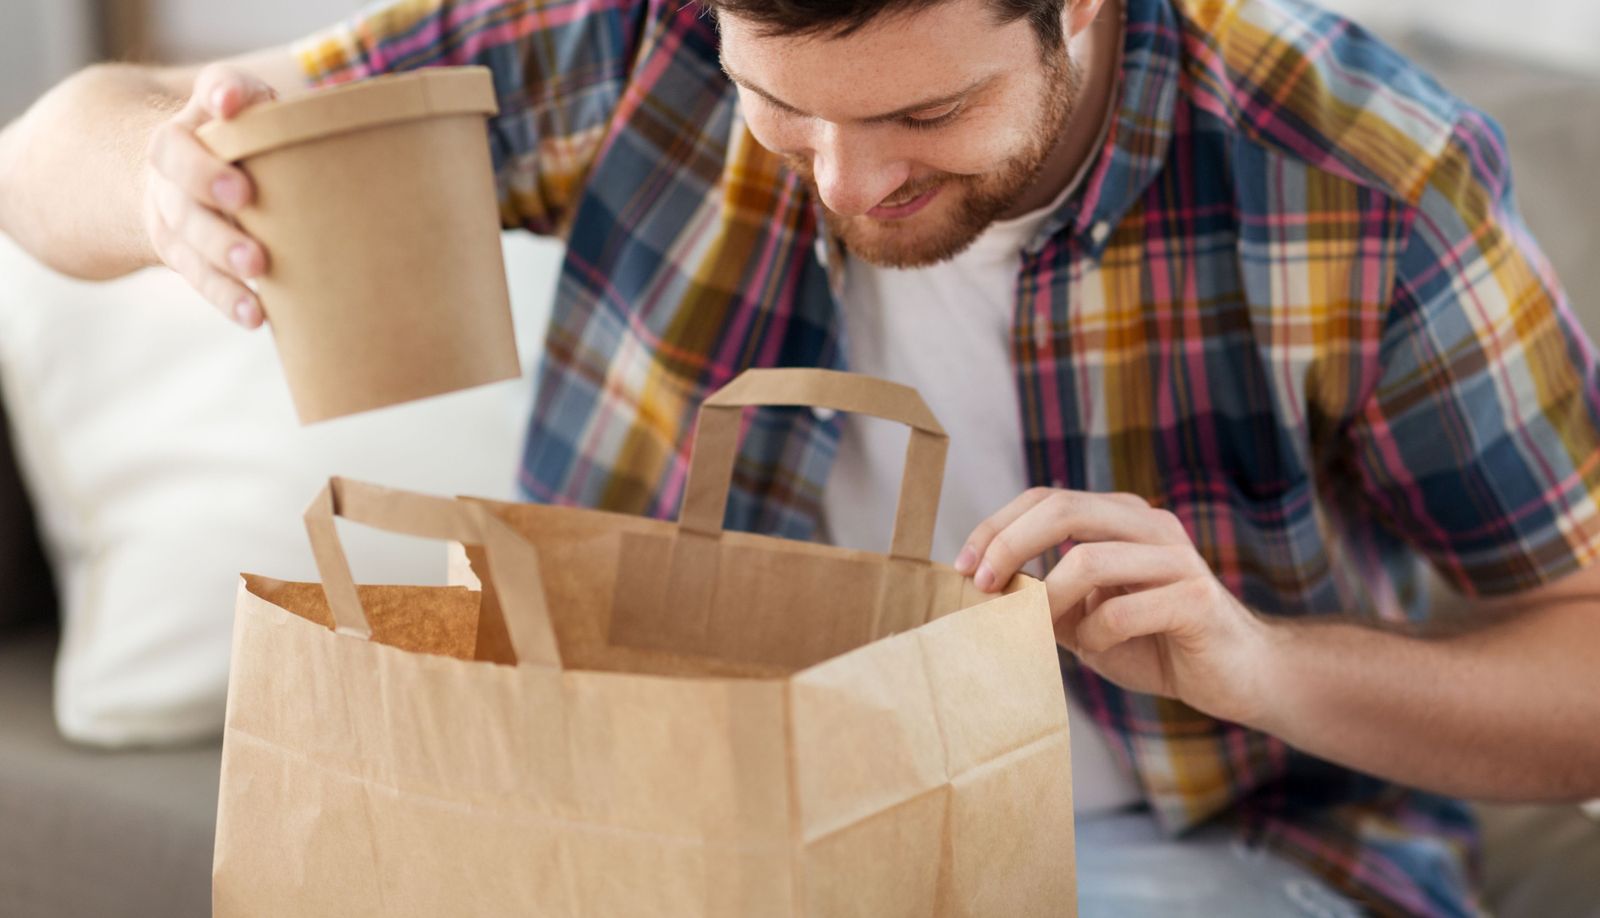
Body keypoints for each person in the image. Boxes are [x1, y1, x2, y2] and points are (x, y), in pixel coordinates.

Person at [3, 0, 1598, 913]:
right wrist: (159, 176)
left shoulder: (1358, 180)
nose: (845, 180)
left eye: (927, 112)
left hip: (1188, 845)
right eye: (782, 112)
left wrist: (1259, 663)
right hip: (647, 821)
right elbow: (47, 154)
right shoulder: (627, 37)